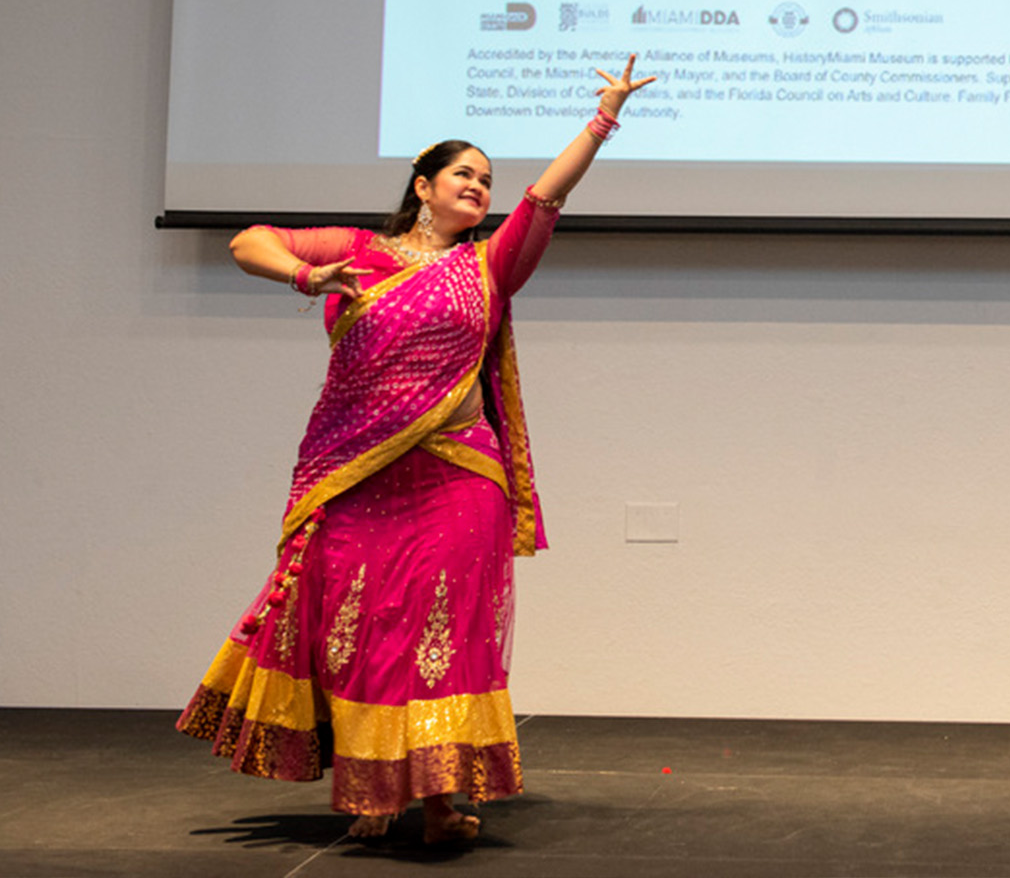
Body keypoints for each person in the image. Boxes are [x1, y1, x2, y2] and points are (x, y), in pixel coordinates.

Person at [177, 57, 656, 843]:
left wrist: (602, 119)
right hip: (356, 475)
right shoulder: (357, 250)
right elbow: (245, 242)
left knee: (443, 635)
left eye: (487, 180)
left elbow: (547, 196)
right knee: (366, 629)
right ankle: (373, 789)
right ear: (423, 184)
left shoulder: (489, 265)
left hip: (458, 475)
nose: (479, 186)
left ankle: (437, 800)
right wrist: (306, 277)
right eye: (463, 173)